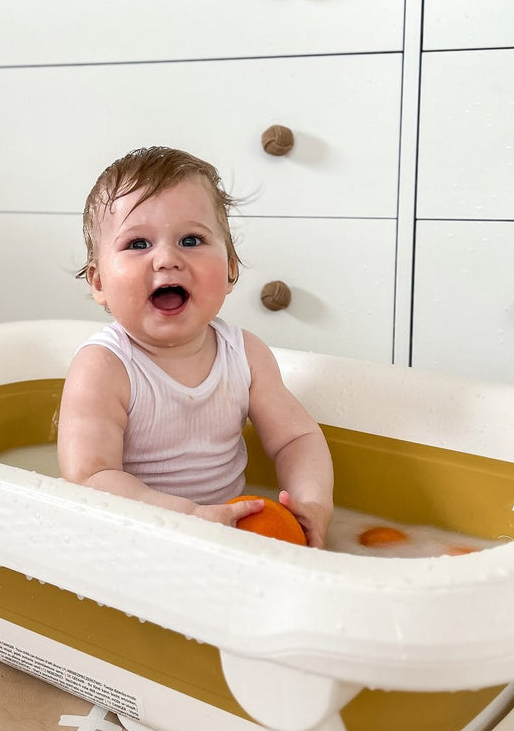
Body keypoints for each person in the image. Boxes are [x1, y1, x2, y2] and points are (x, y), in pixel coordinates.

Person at [56, 147, 334, 548]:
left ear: (231, 269)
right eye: (138, 244)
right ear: (99, 282)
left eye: (191, 239)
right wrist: (187, 517)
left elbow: (297, 438)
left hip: (231, 537)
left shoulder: (246, 355)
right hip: (133, 541)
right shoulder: (103, 366)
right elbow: (89, 478)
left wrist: (312, 503)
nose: (166, 259)